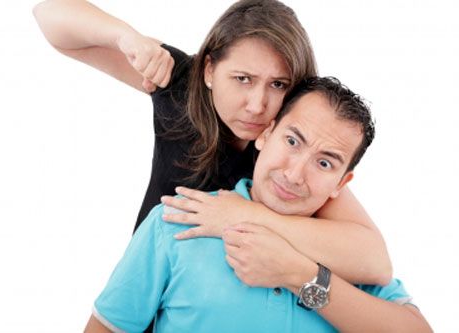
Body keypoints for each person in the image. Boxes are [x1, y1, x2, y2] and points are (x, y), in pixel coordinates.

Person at [33, 0, 391, 287]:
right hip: (146, 286)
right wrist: (126, 38)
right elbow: (49, 14)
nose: (257, 106)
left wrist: (243, 214)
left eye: (278, 85)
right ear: (208, 71)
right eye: (242, 79)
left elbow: (374, 261)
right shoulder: (179, 84)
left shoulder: (288, 153)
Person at [84, 77, 432, 333]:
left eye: (324, 163)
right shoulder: (177, 221)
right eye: (293, 141)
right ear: (265, 134)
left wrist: (301, 276)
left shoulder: (348, 258)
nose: (295, 174)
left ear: (341, 183)